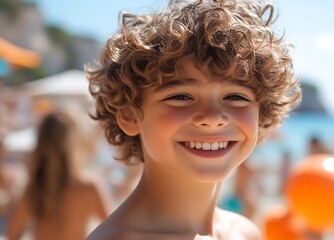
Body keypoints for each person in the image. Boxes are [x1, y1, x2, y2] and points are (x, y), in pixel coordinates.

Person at [84, 0, 301, 239]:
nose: (212, 118)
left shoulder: (244, 232)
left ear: (262, 114)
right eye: (181, 96)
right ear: (129, 114)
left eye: (236, 96)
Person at [6, 110, 109, 240]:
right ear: (75, 141)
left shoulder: (35, 188)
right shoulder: (88, 187)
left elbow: (12, 235)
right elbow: (116, 231)